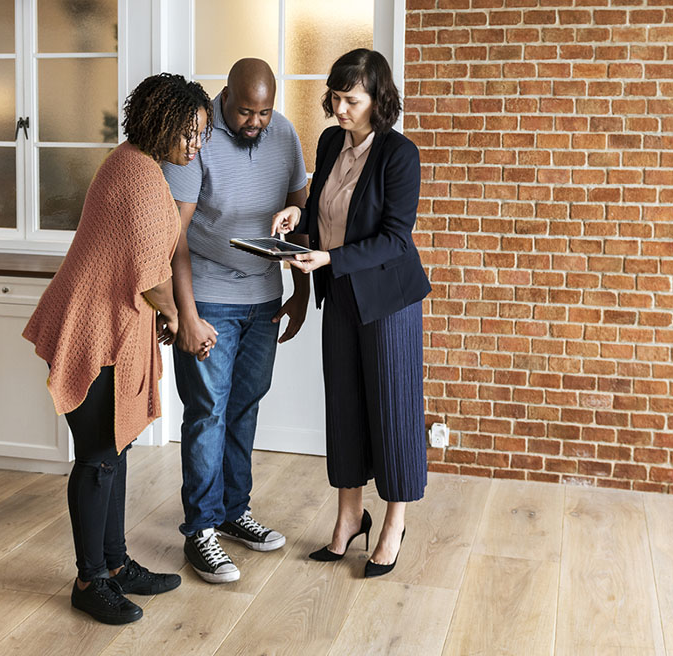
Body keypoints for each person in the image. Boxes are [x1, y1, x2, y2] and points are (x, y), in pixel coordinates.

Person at [23, 73, 212, 624]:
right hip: (94, 329)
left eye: (201, 134)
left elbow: (148, 265)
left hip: (111, 326)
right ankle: (89, 580)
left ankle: (114, 564)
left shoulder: (138, 165)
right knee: (98, 459)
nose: (195, 144)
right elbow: (149, 275)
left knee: (114, 447)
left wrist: (170, 315)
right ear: (163, 123)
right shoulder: (138, 177)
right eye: (191, 132)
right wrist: (179, 319)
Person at [272, 48, 431, 578]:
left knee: (392, 410)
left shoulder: (399, 154)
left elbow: (394, 239)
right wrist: (300, 217)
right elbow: (324, 206)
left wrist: (329, 257)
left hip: (388, 303)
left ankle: (394, 522)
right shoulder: (328, 141)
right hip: (338, 294)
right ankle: (348, 517)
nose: (339, 109)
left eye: (352, 99)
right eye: (335, 98)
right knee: (343, 407)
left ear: (378, 100)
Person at [161, 58, 309, 584]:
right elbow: (173, 237)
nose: (256, 122)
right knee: (207, 412)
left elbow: (298, 215)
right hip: (210, 298)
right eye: (247, 111)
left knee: (244, 406)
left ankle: (231, 511)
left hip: (264, 298)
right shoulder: (197, 138)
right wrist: (186, 315)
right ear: (226, 98)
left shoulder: (284, 132)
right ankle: (200, 529)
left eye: (264, 112)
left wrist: (299, 290)